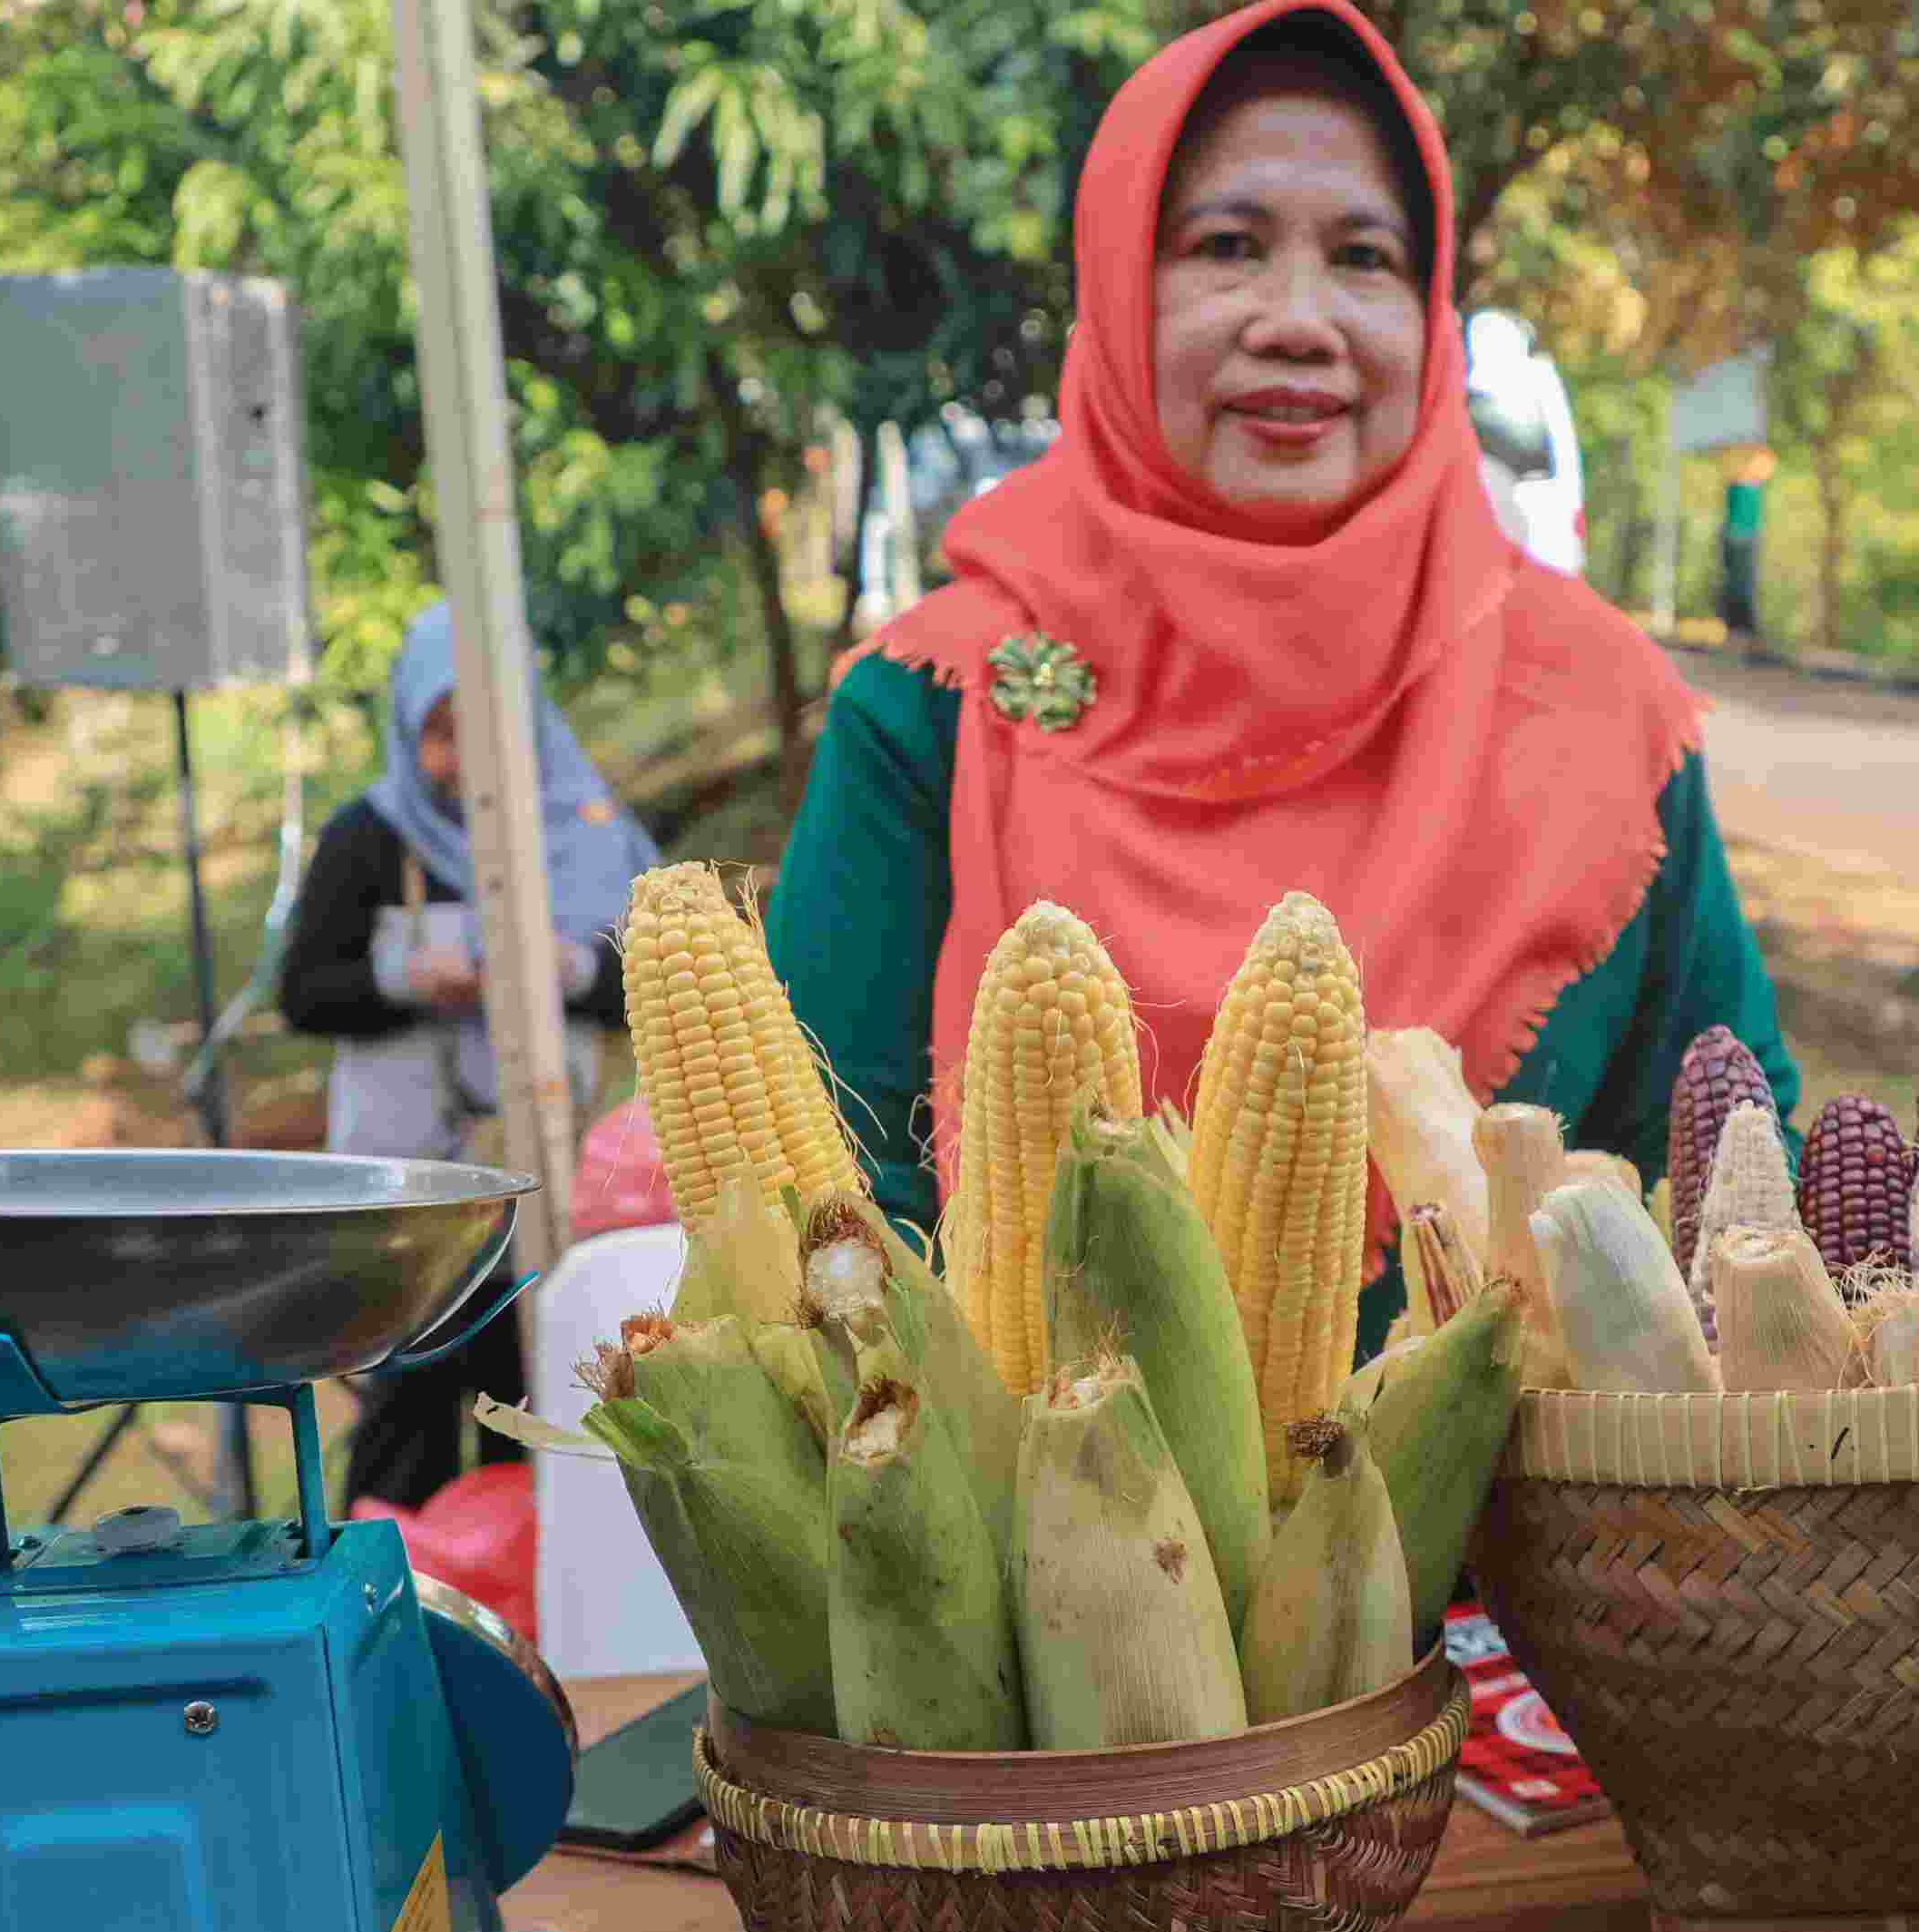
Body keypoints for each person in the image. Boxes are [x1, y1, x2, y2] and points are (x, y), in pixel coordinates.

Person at [763, 0, 1797, 1369]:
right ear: (1119, 291)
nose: (1299, 322)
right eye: (1225, 248)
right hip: (1015, 1549)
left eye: (1363, 258)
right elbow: (817, 1206)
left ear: (1429, 318)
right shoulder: (932, 706)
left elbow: (1731, 1175)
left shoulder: (1601, 716)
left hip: (1548, 1561)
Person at [279, 601, 660, 1510]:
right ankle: (396, 1568)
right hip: (412, 1196)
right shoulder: (368, 839)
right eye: (438, 734)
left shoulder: (574, 828)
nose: (459, 758)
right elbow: (304, 991)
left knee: (543, 1401)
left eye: (479, 731)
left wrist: (565, 967)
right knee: (409, 1398)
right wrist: (414, 980)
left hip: (546, 1185)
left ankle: (534, 1587)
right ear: (409, 729)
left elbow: (642, 980)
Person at [1718, 447, 1771, 650]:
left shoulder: (1752, 488)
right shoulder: (1740, 487)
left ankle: (1744, 628)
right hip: (1738, 540)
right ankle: (1736, 627)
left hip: (1747, 540)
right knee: (1738, 584)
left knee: (1746, 584)